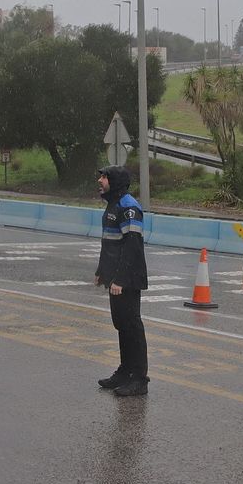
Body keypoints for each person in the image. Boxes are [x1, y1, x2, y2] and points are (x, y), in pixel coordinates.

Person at [93, 164, 149, 396]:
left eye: (105, 177)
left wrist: (120, 279)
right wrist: (102, 271)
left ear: (115, 181)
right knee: (121, 325)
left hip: (127, 277)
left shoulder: (129, 207)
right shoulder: (113, 205)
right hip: (115, 276)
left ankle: (139, 379)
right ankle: (125, 371)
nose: (100, 181)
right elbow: (109, 242)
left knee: (132, 326)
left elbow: (132, 247)